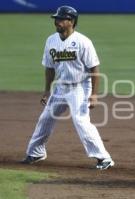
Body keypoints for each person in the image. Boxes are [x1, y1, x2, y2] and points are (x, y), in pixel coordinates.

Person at [21, 5, 114, 170]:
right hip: (60, 88)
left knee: (80, 120)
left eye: (60, 19)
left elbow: (95, 69)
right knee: (46, 118)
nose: (56, 22)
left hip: (80, 87)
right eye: (56, 19)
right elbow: (49, 68)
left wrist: (94, 95)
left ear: (71, 22)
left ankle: (104, 158)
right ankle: (36, 152)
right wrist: (46, 90)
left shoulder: (83, 42)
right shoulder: (51, 40)